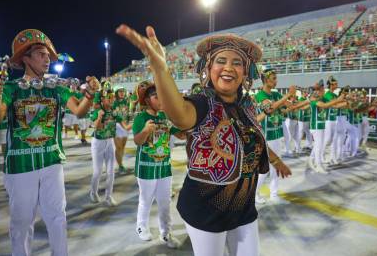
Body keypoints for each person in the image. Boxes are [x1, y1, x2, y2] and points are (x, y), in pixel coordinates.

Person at [117, 25, 291, 256]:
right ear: (208, 68)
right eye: (221, 60)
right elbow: (178, 113)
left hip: (244, 209)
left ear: (245, 72)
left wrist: (277, 161)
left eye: (237, 62)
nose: (229, 67)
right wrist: (161, 70)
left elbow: (253, 137)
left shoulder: (247, 104)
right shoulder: (201, 102)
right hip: (207, 209)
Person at [0, 29, 99, 256]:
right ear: (25, 58)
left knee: (57, 217)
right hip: (20, 166)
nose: (47, 60)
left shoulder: (57, 88)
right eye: (41, 54)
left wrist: (90, 95)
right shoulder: (11, 89)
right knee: (22, 223)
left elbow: (79, 111)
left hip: (52, 161)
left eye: (47, 56)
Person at [132, 80, 184, 248]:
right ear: (147, 100)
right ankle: (141, 226)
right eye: (155, 96)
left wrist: (187, 123)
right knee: (145, 200)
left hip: (164, 168)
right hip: (146, 168)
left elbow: (182, 135)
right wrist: (146, 131)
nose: (160, 99)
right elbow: (138, 141)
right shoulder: (141, 118)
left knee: (165, 202)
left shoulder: (165, 117)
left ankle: (166, 233)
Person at [254, 69, 296, 204]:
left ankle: (273, 194)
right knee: (265, 168)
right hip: (267, 136)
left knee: (274, 167)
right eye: (273, 78)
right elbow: (269, 108)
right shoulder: (260, 95)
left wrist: (289, 103)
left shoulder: (276, 94)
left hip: (277, 134)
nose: (276, 81)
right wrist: (287, 95)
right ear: (266, 80)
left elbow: (289, 106)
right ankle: (254, 194)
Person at [90, 89, 130, 206]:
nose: (112, 100)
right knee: (97, 172)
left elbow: (124, 125)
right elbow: (97, 127)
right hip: (98, 143)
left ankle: (108, 196)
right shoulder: (97, 111)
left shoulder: (114, 111)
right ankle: (93, 192)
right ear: (102, 100)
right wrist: (99, 117)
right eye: (109, 98)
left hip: (109, 142)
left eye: (113, 97)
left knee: (110, 172)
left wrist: (134, 126)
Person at [113, 86, 133, 173]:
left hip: (125, 125)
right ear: (116, 93)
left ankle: (120, 163)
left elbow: (128, 113)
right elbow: (115, 115)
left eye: (123, 91)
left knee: (123, 147)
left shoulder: (126, 102)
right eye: (119, 91)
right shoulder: (113, 103)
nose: (122, 93)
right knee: (119, 147)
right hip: (116, 126)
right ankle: (120, 166)